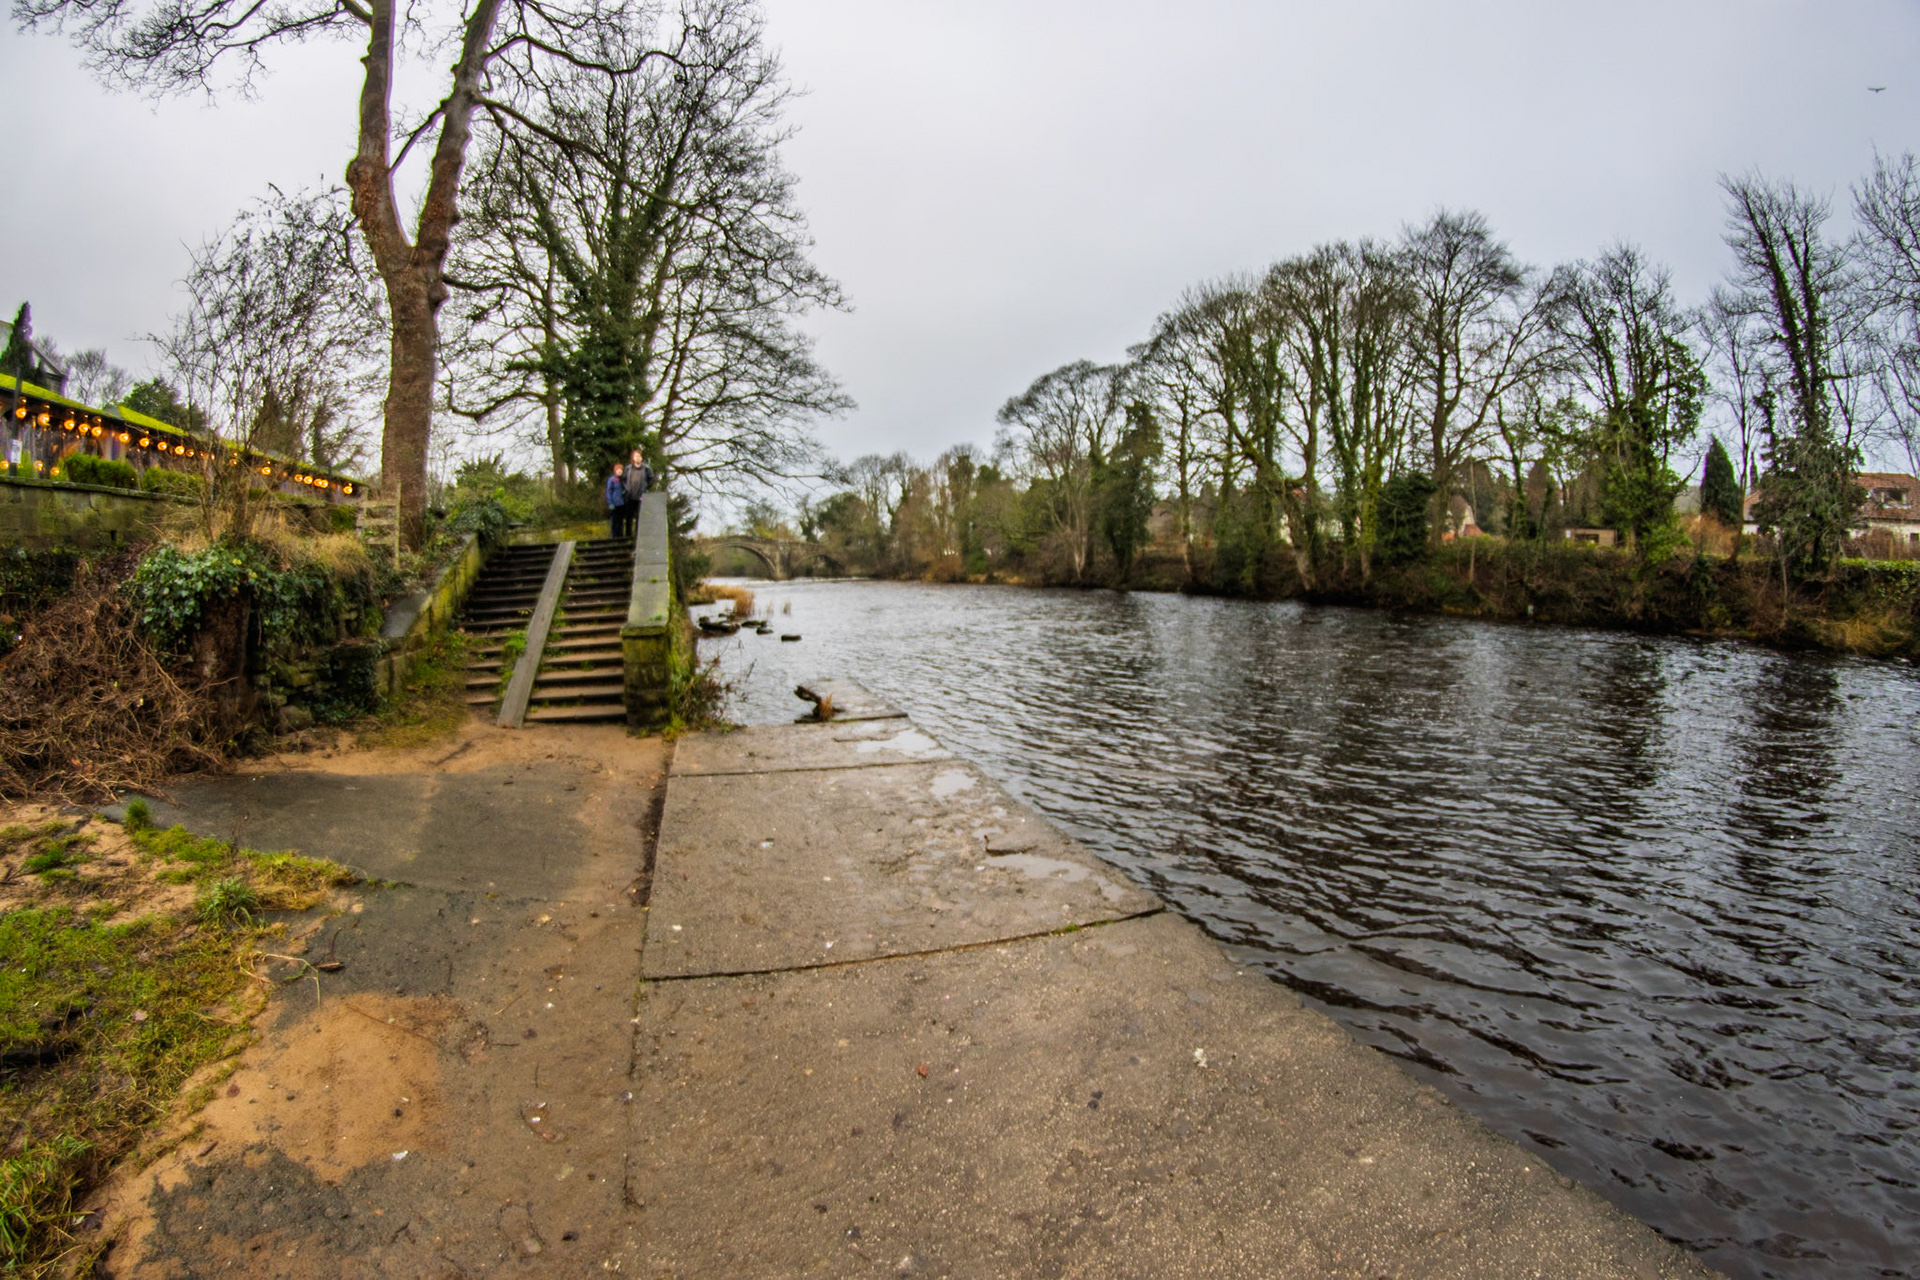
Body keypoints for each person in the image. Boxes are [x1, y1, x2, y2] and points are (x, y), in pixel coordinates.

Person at [623, 448, 654, 531]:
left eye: (639, 456)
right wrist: (626, 489)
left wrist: (646, 487)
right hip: (630, 496)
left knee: (640, 517)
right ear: (633, 458)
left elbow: (651, 479)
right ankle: (628, 535)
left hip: (641, 496)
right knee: (629, 516)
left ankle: (638, 534)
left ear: (641, 458)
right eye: (636, 456)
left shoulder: (646, 469)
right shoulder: (628, 469)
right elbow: (623, 480)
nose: (637, 458)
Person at [604, 462, 626, 539]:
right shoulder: (612, 480)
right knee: (614, 520)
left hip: (622, 503)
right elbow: (608, 491)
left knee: (621, 521)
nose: (619, 471)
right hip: (614, 503)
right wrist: (610, 502)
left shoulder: (623, 480)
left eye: (621, 470)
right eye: (618, 470)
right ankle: (614, 535)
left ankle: (620, 535)